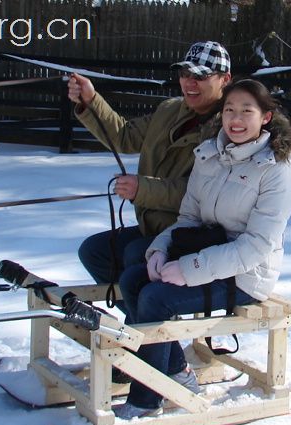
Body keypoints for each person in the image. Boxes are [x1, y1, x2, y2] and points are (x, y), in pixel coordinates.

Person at [113, 79, 291, 420]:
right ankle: (174, 371)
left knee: (156, 298)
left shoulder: (277, 172)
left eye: (247, 111)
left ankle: (146, 399)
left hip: (245, 276)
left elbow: (257, 245)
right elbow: (188, 216)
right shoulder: (209, 155)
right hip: (205, 255)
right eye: (229, 110)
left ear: (266, 118)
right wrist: (160, 250)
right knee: (132, 280)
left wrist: (189, 269)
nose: (236, 119)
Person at [68, 41, 232, 311]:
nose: (189, 83)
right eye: (184, 74)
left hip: (196, 236)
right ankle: (142, 326)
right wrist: (91, 100)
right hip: (152, 227)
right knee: (94, 251)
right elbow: (124, 136)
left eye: (200, 76)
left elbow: (204, 194)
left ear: (224, 79)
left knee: (135, 255)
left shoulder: (230, 127)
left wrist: (142, 189)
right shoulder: (170, 110)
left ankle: (144, 333)